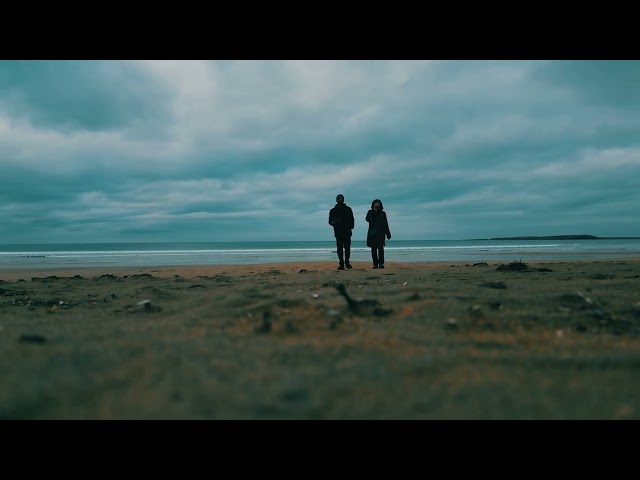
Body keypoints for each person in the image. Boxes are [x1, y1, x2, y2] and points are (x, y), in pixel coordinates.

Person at [328, 194, 355, 270]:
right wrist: (334, 223)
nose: (340, 200)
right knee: (339, 249)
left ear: (343, 199)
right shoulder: (333, 210)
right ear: (336, 200)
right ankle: (341, 263)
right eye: (338, 198)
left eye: (341, 198)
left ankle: (347, 262)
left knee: (347, 248)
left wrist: (351, 226)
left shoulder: (348, 209)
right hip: (338, 231)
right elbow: (330, 221)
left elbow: (352, 219)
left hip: (347, 231)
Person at [365, 198, 391, 269]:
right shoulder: (370, 212)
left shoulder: (383, 213)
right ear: (373, 204)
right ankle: (375, 264)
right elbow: (367, 219)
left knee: (381, 250)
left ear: (380, 205)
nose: (377, 204)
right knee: (373, 250)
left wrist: (388, 233)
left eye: (378, 203)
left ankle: (381, 263)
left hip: (381, 233)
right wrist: (374, 211)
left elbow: (385, 224)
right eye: (375, 203)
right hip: (372, 234)